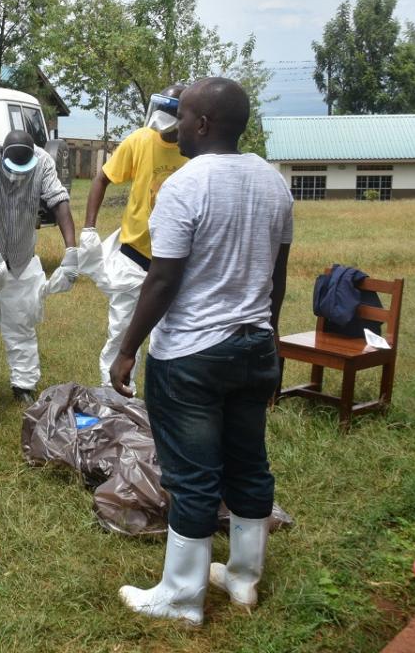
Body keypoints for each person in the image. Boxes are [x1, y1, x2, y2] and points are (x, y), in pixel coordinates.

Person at [110, 77, 292, 625]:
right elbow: (277, 280)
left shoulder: (186, 186)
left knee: (192, 477)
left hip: (191, 355)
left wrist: (126, 351)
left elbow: (162, 280)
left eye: (184, 117)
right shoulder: (273, 182)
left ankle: (181, 599)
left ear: (205, 124)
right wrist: (271, 344)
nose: (176, 126)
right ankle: (242, 577)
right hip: (254, 347)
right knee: (249, 467)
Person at [81, 83, 189, 393]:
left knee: (171, 334)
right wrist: (90, 228)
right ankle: (116, 399)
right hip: (135, 256)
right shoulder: (140, 140)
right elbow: (102, 178)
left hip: (177, 262)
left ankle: (166, 398)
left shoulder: (195, 152)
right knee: (122, 332)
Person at [0, 130, 77, 410]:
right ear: (3, 154)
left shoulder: (43, 161)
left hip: (23, 258)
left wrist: (72, 251)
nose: (17, 175)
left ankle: (23, 385)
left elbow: (59, 202)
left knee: (21, 324)